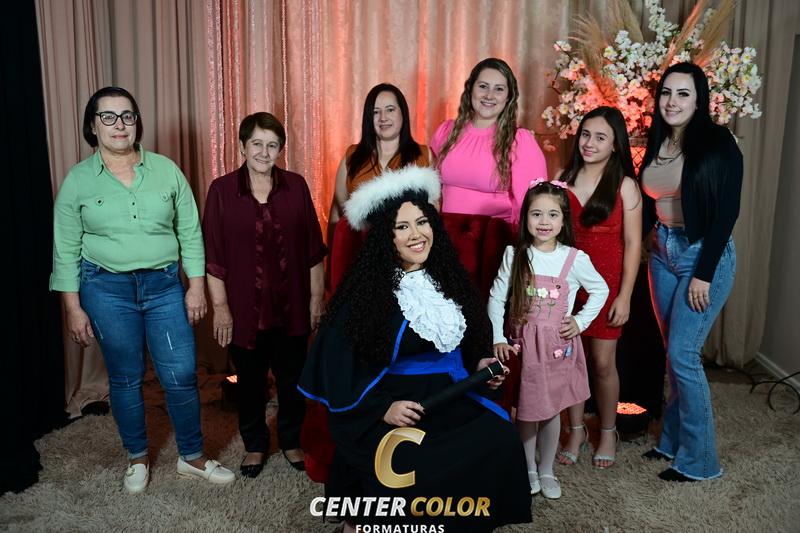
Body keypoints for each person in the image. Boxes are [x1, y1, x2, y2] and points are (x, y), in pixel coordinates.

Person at [299, 166, 532, 532]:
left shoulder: (449, 278)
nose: (416, 234)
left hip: (451, 393)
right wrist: (382, 408)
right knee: (410, 459)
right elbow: (338, 367)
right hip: (396, 402)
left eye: (422, 222)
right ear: (386, 236)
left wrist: (480, 365)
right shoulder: (367, 292)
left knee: (499, 437)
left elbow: (466, 343)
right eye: (402, 227)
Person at [49, 86, 234, 494]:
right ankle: (137, 457)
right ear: (93, 126)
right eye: (109, 117)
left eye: (127, 116)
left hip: (164, 287)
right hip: (105, 289)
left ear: (137, 122)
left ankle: (192, 456)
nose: (119, 125)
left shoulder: (166, 170)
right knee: (126, 377)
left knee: (180, 372)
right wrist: (73, 307)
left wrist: (196, 287)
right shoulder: (78, 181)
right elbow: (65, 248)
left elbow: (190, 232)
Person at [203, 112, 327, 478]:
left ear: (280, 150)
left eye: (272, 145)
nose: (264, 152)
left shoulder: (296, 186)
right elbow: (213, 257)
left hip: (292, 307)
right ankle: (255, 445)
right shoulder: (221, 191)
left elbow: (313, 250)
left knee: (292, 380)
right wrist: (221, 308)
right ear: (242, 146)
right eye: (256, 143)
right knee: (250, 383)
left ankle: (290, 440)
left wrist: (316, 299)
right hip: (244, 309)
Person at [639, 62, 742, 482]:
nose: (672, 101)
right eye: (666, 92)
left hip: (702, 255)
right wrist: (647, 236)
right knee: (673, 353)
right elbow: (654, 197)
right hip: (663, 253)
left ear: (699, 101)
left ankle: (701, 462)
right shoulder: (659, 140)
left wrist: (704, 271)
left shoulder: (718, 141)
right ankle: (671, 441)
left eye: (683, 93)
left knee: (684, 354)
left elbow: (727, 211)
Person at [488, 180, 608, 499]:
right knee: (527, 409)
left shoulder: (574, 259)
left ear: (563, 220)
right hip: (525, 347)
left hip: (556, 349)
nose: (544, 222)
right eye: (536, 213)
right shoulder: (516, 255)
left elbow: (601, 289)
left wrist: (580, 321)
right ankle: (528, 467)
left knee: (552, 410)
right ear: (525, 217)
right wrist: (498, 336)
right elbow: (496, 297)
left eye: (553, 215)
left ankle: (546, 469)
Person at [556, 106, 642, 468]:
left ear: (615, 144)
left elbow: (633, 244)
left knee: (603, 363)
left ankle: (608, 430)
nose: (589, 143)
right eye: (586, 134)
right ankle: (576, 429)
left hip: (606, 287)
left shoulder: (625, 185)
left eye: (600, 137)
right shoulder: (562, 177)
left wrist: (625, 296)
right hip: (566, 284)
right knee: (570, 361)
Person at [431, 57, 548, 226]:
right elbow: (431, 189)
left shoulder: (520, 141)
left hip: (494, 235)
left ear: (508, 97)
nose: (489, 95)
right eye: (483, 86)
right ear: (470, 89)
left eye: (499, 89)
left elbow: (533, 204)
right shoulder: (446, 132)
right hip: (447, 231)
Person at [328, 83, 431, 235]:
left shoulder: (424, 155)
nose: (383, 118)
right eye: (376, 112)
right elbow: (338, 213)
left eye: (390, 110)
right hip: (361, 247)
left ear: (403, 113)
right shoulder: (352, 157)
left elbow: (434, 213)